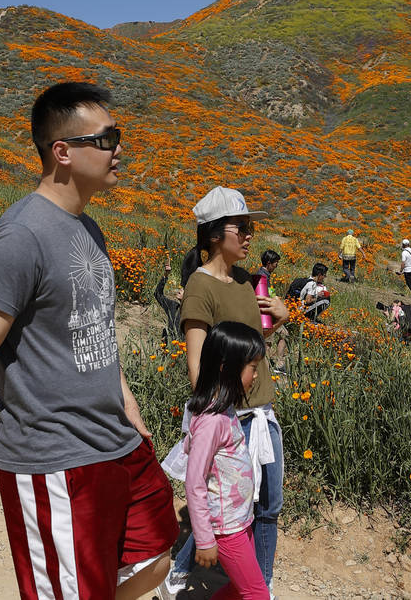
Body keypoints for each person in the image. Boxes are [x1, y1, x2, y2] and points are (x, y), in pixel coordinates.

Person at [0, 83, 178, 600]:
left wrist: (129, 408)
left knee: (157, 556)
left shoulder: (87, 227)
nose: (119, 148)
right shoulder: (20, 235)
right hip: (55, 457)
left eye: (118, 135)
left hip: (115, 441)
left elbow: (93, 328)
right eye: (107, 137)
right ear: (63, 152)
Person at [163, 186, 288, 597]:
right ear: (216, 233)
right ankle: (186, 575)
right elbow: (197, 367)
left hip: (262, 411)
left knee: (267, 507)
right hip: (232, 418)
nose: (250, 235)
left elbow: (252, 347)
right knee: (235, 513)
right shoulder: (201, 287)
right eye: (242, 227)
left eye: (251, 227)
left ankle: (259, 586)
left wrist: (285, 316)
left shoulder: (247, 281)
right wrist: (217, 420)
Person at [184, 322, 269, 600]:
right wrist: (205, 539)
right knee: (256, 593)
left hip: (239, 521)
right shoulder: (211, 420)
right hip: (226, 526)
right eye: (252, 368)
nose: (255, 375)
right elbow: (194, 482)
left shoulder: (225, 409)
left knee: (239, 588)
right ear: (226, 366)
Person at [254, 250, 287, 371]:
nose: (277, 265)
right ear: (269, 263)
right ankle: (265, 369)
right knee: (267, 342)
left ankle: (278, 363)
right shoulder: (262, 276)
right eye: (275, 263)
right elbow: (263, 296)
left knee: (283, 335)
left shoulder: (264, 275)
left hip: (269, 312)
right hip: (266, 314)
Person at [155, 261, 184, 343]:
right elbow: (158, 294)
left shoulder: (192, 312)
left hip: (182, 350)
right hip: (169, 348)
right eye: (180, 288)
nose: (179, 290)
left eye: (183, 289)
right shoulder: (173, 306)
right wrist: (166, 275)